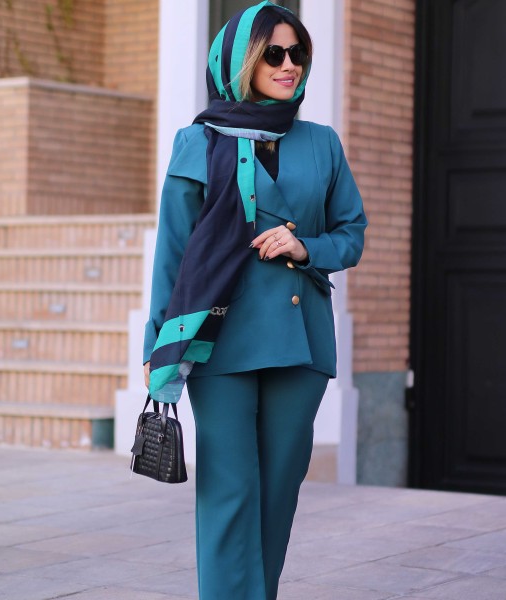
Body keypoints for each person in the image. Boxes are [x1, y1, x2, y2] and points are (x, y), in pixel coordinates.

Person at [143, 2, 367, 598]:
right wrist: (156, 346)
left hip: (299, 342)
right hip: (218, 339)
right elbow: (172, 255)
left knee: (277, 493)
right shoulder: (197, 143)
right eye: (274, 53)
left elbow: (351, 234)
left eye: (298, 53)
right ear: (242, 62)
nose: (290, 65)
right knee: (229, 491)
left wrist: (305, 246)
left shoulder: (321, 143)